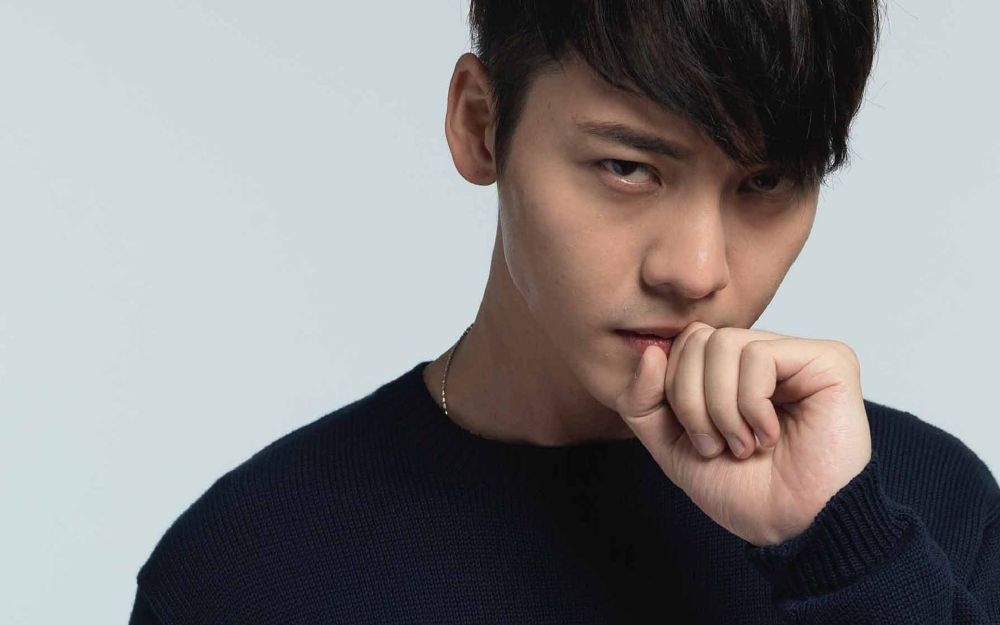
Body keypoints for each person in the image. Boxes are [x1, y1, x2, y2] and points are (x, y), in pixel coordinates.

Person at [128, 1, 1000, 623]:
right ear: (480, 124)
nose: (696, 270)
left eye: (765, 182)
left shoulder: (921, 511)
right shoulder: (245, 565)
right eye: (628, 167)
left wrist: (842, 552)